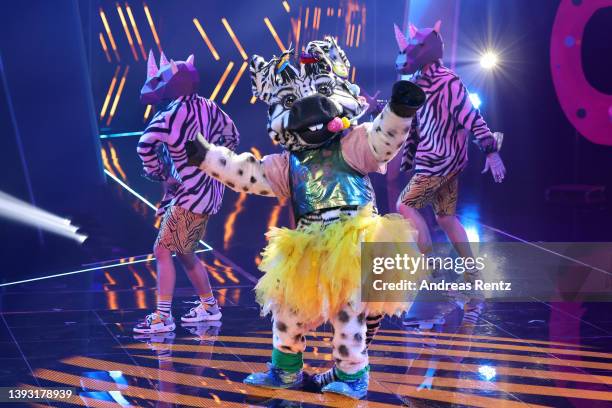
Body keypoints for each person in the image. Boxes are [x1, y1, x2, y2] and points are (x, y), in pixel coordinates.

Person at [185, 37, 425, 399]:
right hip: (309, 244)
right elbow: (247, 173)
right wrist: (208, 157)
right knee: (289, 312)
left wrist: (398, 112)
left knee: (349, 316)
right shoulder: (287, 163)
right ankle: (285, 372)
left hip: (354, 242)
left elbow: (382, 140)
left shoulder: (353, 144)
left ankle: (351, 375)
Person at [133, 51, 239, 334]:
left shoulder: (169, 116)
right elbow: (232, 135)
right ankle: (209, 306)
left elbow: (144, 145)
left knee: (163, 249)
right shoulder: (208, 105)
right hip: (206, 191)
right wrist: (214, 162)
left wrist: (161, 174)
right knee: (183, 250)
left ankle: (163, 316)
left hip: (190, 194)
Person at [394, 21, 506, 269]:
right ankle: (471, 267)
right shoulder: (417, 82)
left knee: (404, 204)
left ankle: (429, 261)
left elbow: (472, 117)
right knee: (445, 217)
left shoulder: (448, 82)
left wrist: (491, 153)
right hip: (441, 160)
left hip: (438, 162)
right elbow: (404, 113)